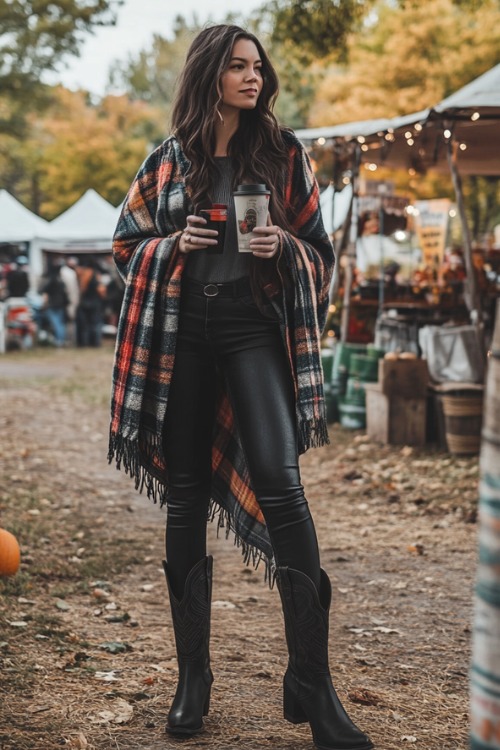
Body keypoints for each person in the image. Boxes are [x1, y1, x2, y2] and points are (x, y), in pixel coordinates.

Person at [108, 24, 373, 750]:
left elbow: (321, 251)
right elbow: (125, 247)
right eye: (237, 67)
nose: (253, 78)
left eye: (258, 67)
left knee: (283, 485)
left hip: (256, 333)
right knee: (186, 492)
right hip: (185, 337)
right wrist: (172, 248)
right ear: (209, 76)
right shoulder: (167, 163)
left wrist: (284, 245)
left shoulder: (284, 155)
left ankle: (312, 685)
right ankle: (194, 679)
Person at [75, 258, 105, 347]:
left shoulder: (82, 274)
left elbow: (81, 289)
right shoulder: (95, 274)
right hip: (95, 303)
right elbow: (100, 290)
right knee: (95, 323)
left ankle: (84, 343)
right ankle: (95, 343)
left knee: (85, 325)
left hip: (84, 303)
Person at [39, 264, 68, 347]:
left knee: (56, 323)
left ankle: (59, 341)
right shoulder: (61, 281)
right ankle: (61, 340)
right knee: (60, 323)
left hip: (53, 304)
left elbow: (43, 290)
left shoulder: (52, 280)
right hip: (61, 304)